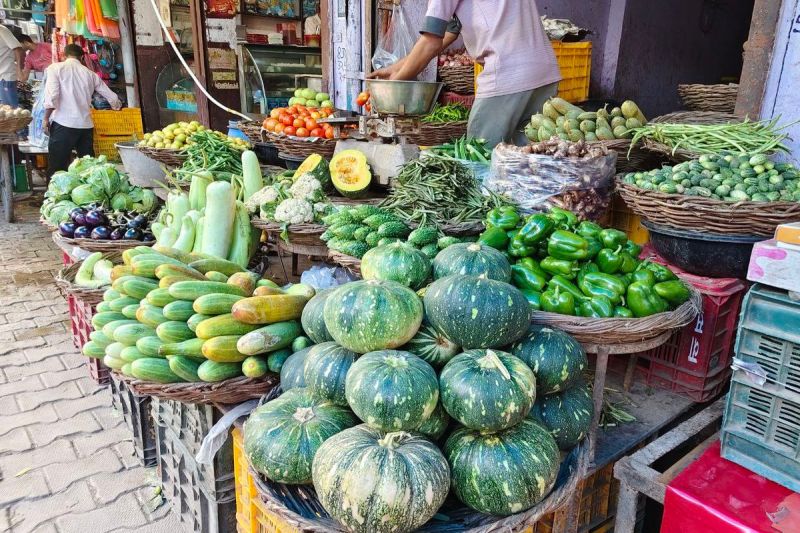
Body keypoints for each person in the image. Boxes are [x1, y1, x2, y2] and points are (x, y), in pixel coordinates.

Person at [369, 1, 562, 148]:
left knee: (479, 158)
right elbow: (447, 34)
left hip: (506, 75)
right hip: (544, 72)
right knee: (530, 163)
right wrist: (395, 69)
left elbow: (430, 43)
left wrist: (391, 86)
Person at [43, 44, 122, 177]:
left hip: (63, 124)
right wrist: (117, 107)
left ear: (64, 55)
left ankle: (55, 197)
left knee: (57, 168)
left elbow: (52, 97)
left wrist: (46, 118)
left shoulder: (55, 68)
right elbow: (112, 97)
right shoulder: (90, 74)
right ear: (82, 57)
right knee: (88, 169)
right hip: (85, 127)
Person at [0, 24, 24, 106]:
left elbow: (18, 49)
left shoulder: (2, 30)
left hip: (5, 77)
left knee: (10, 111)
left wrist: (19, 70)